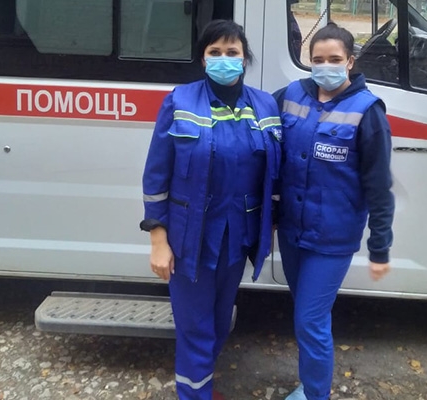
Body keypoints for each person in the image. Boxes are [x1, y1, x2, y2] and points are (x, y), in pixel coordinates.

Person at [140, 19, 282, 400]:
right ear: (203, 59)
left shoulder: (265, 106)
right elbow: (156, 176)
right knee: (195, 329)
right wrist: (158, 239)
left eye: (232, 52)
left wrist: (270, 225)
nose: (224, 59)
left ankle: (201, 386)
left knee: (219, 323)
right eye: (214, 52)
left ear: (244, 58)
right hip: (190, 240)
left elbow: (274, 173)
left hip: (236, 239)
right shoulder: (179, 101)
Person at [273, 23, 395, 400]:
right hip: (292, 233)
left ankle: (315, 394)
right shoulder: (292, 94)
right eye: (318, 59)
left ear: (350, 62)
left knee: (309, 320)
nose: (325, 67)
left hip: (332, 240)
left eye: (335, 59)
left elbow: (379, 187)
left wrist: (379, 248)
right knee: (308, 315)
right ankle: (310, 384)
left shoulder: (367, 111)